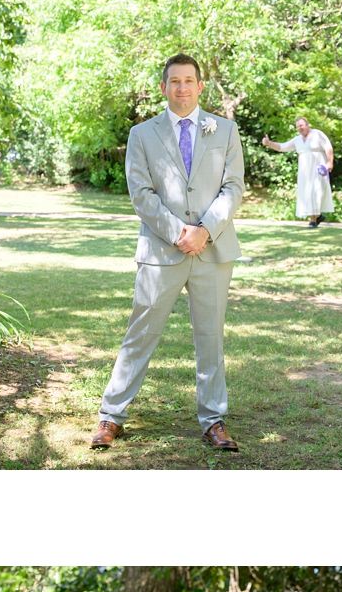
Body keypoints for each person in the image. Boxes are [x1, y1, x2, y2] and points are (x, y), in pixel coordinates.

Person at [92, 54, 247, 454]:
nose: (181, 88)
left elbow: (233, 188)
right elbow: (140, 194)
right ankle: (112, 415)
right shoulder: (142, 134)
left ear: (200, 86)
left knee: (210, 338)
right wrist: (180, 232)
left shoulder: (226, 130)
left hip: (212, 251)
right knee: (140, 334)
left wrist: (204, 231)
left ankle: (213, 419)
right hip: (162, 251)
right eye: (174, 81)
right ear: (164, 88)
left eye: (189, 81)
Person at [261, 115, 334, 226]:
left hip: (318, 168)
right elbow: (283, 147)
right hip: (304, 171)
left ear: (307, 125)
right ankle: (317, 217)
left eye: (301, 125)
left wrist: (329, 162)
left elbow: (328, 147)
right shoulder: (297, 140)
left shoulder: (318, 134)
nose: (299, 128)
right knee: (307, 192)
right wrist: (269, 143)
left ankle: (314, 218)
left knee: (317, 191)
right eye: (297, 127)